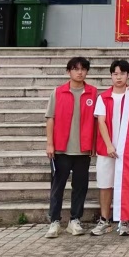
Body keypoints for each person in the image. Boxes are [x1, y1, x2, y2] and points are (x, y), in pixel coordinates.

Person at [43, 56, 97, 239]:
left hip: (83, 149)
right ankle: (55, 221)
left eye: (83, 69)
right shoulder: (58, 92)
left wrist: (93, 144)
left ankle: (75, 220)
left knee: (80, 187)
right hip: (61, 149)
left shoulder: (92, 93)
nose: (79, 72)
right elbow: (50, 118)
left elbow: (96, 121)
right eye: (75, 69)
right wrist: (50, 144)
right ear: (69, 71)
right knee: (57, 187)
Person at [92, 59, 129, 237]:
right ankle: (104, 220)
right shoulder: (103, 97)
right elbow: (101, 122)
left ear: (128, 75)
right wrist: (109, 144)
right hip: (106, 149)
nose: (119, 77)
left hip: (128, 150)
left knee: (126, 185)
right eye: (115, 74)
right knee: (105, 184)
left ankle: (124, 221)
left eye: (122, 74)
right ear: (111, 76)